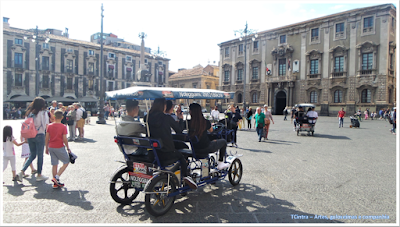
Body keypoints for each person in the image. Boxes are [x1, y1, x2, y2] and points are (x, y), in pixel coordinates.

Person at [146, 98, 197, 189]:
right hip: (167, 152)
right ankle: (185, 176)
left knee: (180, 146)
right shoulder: (166, 118)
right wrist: (180, 119)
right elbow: (179, 130)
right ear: (163, 106)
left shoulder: (147, 117)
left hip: (153, 151)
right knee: (181, 155)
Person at [187, 103, 230, 170]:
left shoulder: (189, 123)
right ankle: (220, 163)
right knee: (223, 142)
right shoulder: (204, 122)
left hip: (195, 149)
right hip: (206, 147)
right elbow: (211, 130)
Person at [17, 97, 49, 182]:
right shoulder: (43, 113)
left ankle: (21, 172)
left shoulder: (29, 113)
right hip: (39, 135)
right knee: (40, 155)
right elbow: (46, 125)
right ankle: (39, 174)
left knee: (32, 155)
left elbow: (25, 124)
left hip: (30, 135)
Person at [45, 109, 72, 189]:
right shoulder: (63, 127)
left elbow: (47, 138)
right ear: (62, 117)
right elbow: (64, 139)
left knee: (54, 164)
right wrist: (68, 148)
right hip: (59, 146)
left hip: (51, 146)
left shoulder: (49, 126)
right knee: (66, 161)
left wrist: (46, 147)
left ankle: (55, 183)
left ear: (54, 116)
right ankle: (56, 177)